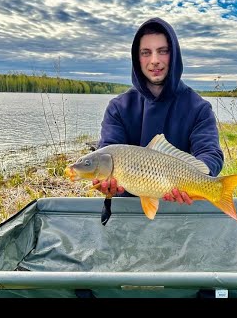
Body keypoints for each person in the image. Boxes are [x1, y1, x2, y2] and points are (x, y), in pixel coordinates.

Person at [93, 17, 224, 209]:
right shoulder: (118, 108)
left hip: (181, 207)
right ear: (137, 59)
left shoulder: (199, 108)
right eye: (146, 53)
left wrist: (197, 180)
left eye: (163, 51)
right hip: (128, 210)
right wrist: (107, 186)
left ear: (175, 55)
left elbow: (210, 153)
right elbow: (108, 151)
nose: (154, 61)